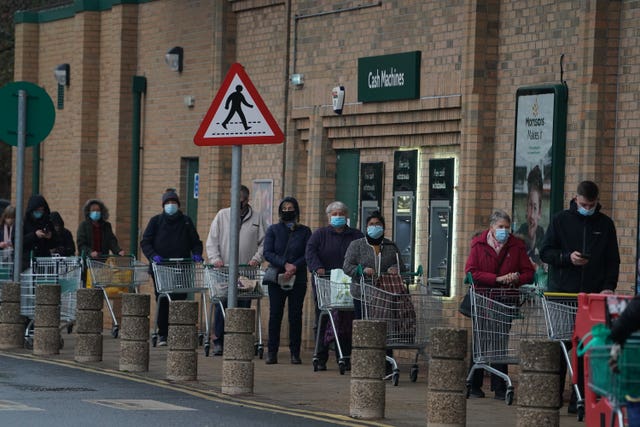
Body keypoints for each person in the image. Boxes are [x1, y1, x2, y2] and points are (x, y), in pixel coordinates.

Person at [540, 180, 620, 413]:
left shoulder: (605, 224)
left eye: (592, 204)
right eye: (584, 204)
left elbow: (612, 260)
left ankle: (581, 400)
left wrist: (608, 287)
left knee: (588, 347)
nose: (588, 207)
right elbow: (545, 252)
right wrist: (568, 258)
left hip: (591, 297)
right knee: (562, 346)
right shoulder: (560, 220)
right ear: (576, 199)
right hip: (562, 293)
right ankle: (553, 397)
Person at [464, 210, 535, 400]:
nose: (504, 230)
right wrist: (497, 279)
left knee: (500, 340)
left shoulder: (516, 246)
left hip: (505, 300)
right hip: (483, 299)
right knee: (481, 340)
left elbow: (529, 272)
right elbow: (471, 272)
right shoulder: (479, 245)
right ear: (492, 227)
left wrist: (516, 278)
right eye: (500, 227)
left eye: (507, 227)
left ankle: (499, 386)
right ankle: (474, 384)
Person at [206, 185, 266, 356]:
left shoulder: (257, 218)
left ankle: (241, 340)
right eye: (235, 200)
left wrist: (256, 258)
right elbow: (212, 241)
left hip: (247, 271)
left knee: (244, 304)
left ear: (247, 200)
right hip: (224, 270)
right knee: (222, 303)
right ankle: (219, 341)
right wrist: (215, 259)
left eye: (241, 200)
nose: (238, 204)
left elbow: (264, 242)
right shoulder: (222, 215)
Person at [305, 201, 363, 371]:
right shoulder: (320, 235)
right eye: (334, 214)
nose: (338, 217)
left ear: (347, 216)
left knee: (346, 320)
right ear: (329, 217)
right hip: (326, 283)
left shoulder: (356, 235)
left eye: (341, 214)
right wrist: (317, 267)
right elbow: (310, 252)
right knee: (324, 318)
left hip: (348, 285)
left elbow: (363, 253)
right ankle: (321, 356)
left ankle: (344, 355)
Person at [141, 190, 203, 346]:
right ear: (163, 205)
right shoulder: (156, 221)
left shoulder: (186, 222)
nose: (171, 205)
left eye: (173, 202)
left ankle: (178, 331)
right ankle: (163, 333)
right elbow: (145, 242)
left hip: (181, 266)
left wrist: (196, 253)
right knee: (163, 298)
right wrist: (153, 255)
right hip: (161, 268)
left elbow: (196, 242)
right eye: (168, 203)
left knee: (179, 299)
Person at [263, 196, 311, 365]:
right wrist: (285, 264)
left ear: (296, 211)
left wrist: (294, 267)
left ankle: (295, 353)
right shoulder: (273, 230)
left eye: (291, 208)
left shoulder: (305, 231)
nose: (288, 211)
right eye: (285, 208)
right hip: (277, 277)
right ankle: (272, 352)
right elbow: (267, 252)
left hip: (298, 278)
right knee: (275, 314)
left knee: (295, 315)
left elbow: (308, 253)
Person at [343, 211, 404, 320]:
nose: (374, 226)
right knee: (364, 325)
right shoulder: (357, 245)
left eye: (378, 224)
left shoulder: (391, 246)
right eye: (371, 224)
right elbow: (347, 266)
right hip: (362, 294)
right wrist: (362, 270)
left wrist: (395, 268)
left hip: (385, 295)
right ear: (366, 227)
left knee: (383, 325)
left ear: (383, 228)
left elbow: (401, 265)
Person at [515, 166, 547, 286]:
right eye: (529, 206)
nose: (531, 215)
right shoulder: (518, 237)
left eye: (535, 208)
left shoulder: (543, 236)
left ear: (539, 212)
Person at [22, 194, 55, 269]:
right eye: (37, 210)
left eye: (42, 210)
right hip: (26, 263)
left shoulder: (47, 221)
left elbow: (55, 242)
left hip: (44, 263)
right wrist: (34, 235)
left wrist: (50, 236)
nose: (40, 212)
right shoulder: (23, 223)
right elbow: (17, 241)